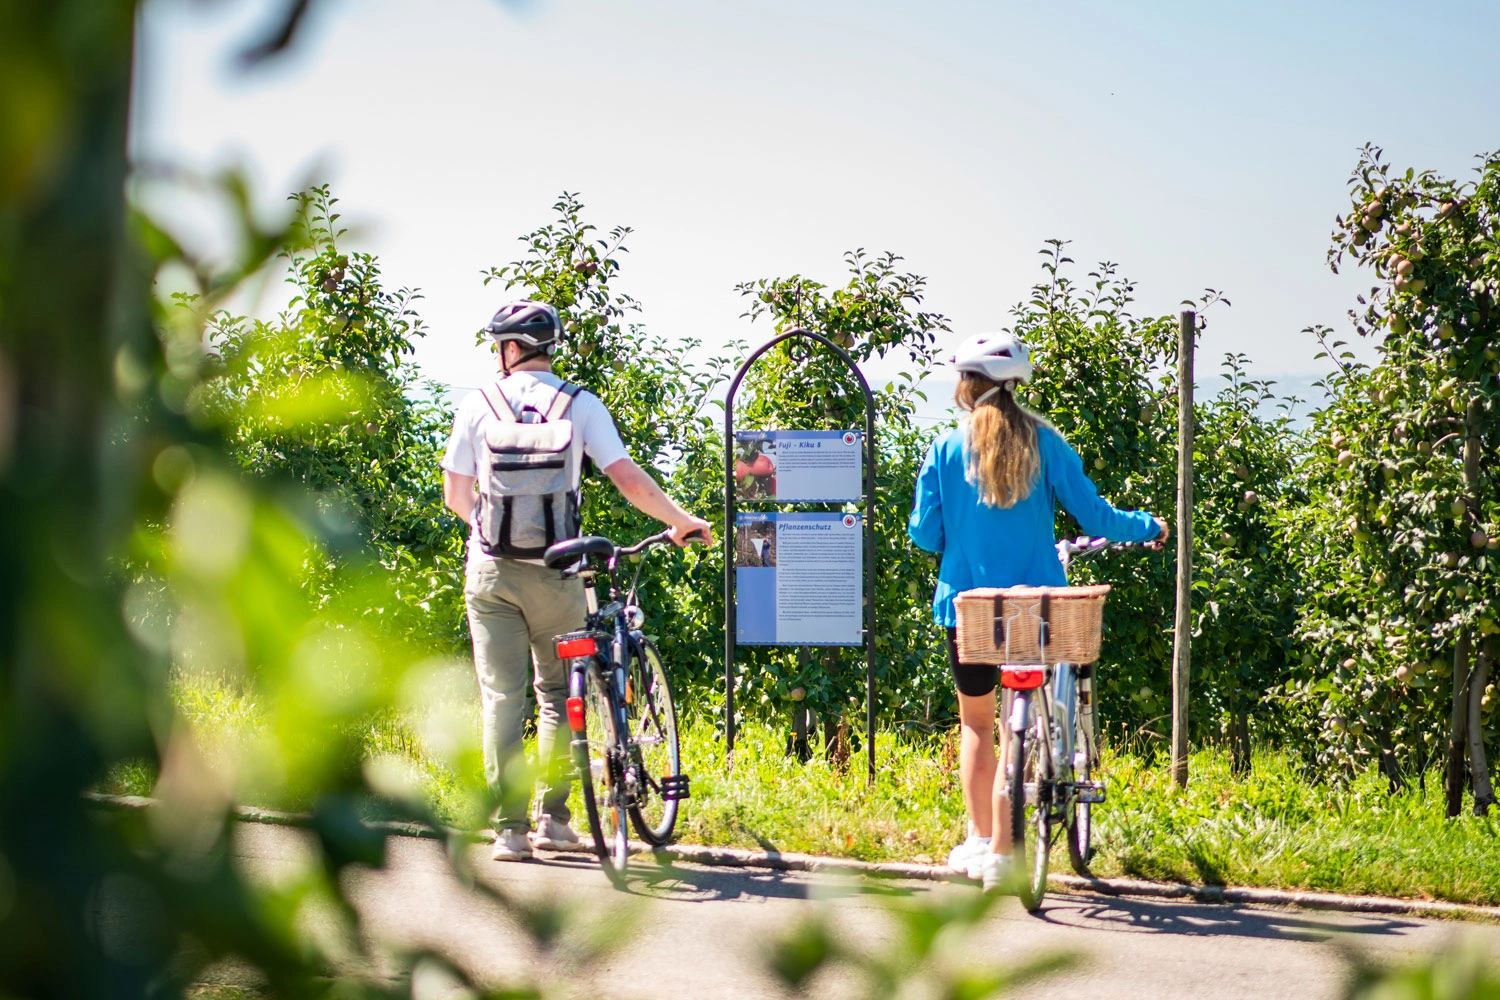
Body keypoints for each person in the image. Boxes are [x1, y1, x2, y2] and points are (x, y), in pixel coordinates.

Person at [441, 300, 714, 862]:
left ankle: (510, 831)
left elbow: (455, 496)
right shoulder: (579, 404)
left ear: (510, 349)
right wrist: (680, 520)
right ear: (547, 348)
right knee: (555, 695)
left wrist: (494, 536)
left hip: (491, 574)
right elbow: (627, 479)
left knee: (502, 699)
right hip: (559, 572)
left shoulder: (477, 404)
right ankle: (554, 820)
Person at [907, 332, 1166, 892]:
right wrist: (1150, 525)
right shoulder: (1046, 443)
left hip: (970, 607)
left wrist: (960, 540)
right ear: (1014, 385)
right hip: (1037, 608)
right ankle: (1005, 852)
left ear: (966, 386)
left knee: (977, 724)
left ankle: (980, 840)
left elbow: (924, 534)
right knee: (1017, 724)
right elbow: (1096, 517)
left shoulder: (944, 449)